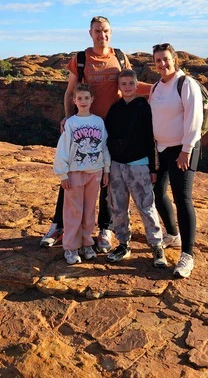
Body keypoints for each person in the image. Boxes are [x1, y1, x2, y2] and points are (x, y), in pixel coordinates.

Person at [41, 15, 146, 252]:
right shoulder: (81, 59)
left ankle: (105, 229)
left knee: (108, 178)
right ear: (90, 33)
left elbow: (132, 86)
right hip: (84, 128)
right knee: (72, 176)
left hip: (114, 128)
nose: (102, 35)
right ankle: (59, 226)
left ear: (111, 32)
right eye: (97, 31)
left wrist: (162, 87)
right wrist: (69, 118)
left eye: (105, 30)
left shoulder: (120, 58)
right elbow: (70, 91)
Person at [104, 69, 167, 267]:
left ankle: (157, 246)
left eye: (131, 83)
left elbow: (150, 138)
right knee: (118, 207)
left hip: (139, 164)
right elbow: (107, 138)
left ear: (137, 85)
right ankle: (123, 244)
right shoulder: (115, 109)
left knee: (146, 206)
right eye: (123, 84)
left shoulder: (144, 106)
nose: (128, 87)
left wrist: (153, 168)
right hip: (117, 165)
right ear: (119, 87)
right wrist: (107, 167)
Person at [149, 43, 202, 278]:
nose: (162, 64)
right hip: (161, 149)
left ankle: (187, 255)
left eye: (166, 59)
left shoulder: (186, 83)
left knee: (183, 198)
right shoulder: (156, 87)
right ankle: (172, 234)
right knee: (157, 192)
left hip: (183, 149)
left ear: (174, 59)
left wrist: (186, 149)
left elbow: (194, 118)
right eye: (158, 60)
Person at [53, 83, 111, 264]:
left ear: (92, 99)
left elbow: (104, 146)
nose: (83, 101)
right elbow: (62, 149)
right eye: (80, 98)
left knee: (89, 211)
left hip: (95, 172)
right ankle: (71, 247)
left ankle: (87, 243)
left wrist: (106, 169)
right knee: (73, 211)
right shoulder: (71, 123)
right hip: (75, 173)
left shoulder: (98, 122)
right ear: (74, 101)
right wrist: (63, 174)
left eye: (86, 98)